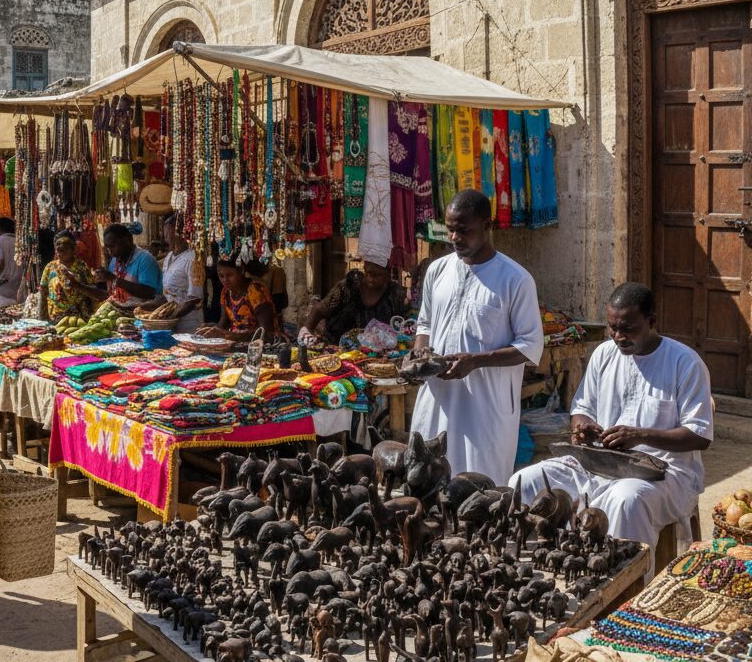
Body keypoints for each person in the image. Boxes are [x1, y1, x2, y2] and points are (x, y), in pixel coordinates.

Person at [509, 283, 713, 549]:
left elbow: (699, 435)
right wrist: (583, 426)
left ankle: (625, 581)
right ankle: (540, 560)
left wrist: (640, 435)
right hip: (596, 463)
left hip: (663, 472)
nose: (618, 336)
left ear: (651, 321)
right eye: (612, 328)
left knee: (626, 501)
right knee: (524, 482)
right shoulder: (604, 354)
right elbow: (582, 408)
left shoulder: (685, 363)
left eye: (627, 328)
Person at [407, 189, 543, 483]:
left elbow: (530, 345)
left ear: (487, 226)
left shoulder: (515, 280)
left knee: (480, 489)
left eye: (464, 230)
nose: (455, 238)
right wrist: (419, 353)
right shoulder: (437, 270)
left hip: (486, 408)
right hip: (437, 400)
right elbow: (425, 324)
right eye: (451, 230)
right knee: (427, 480)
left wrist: (475, 361)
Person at [300, 260, 411, 345]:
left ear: (388, 274)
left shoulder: (396, 294)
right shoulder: (348, 287)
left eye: (377, 275)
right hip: (338, 348)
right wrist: (306, 331)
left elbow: (405, 326)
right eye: (368, 273)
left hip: (379, 354)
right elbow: (319, 309)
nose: (371, 279)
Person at [75, 223, 161, 313]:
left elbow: (149, 293)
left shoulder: (145, 259)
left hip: (141, 315)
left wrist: (113, 279)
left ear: (128, 239)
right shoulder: (115, 261)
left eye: (113, 246)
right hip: (118, 313)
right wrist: (78, 286)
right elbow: (108, 294)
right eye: (107, 247)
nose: (110, 251)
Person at [198, 258, 279, 342]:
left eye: (230, 275)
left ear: (241, 270)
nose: (225, 280)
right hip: (237, 343)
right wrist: (210, 328)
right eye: (221, 276)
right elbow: (223, 324)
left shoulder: (255, 291)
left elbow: (266, 334)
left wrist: (228, 335)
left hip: (259, 345)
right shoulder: (225, 292)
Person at [154, 216, 203, 333]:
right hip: (170, 323)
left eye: (168, 234)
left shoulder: (193, 259)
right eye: (164, 234)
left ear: (179, 233)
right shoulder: (168, 258)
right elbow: (167, 293)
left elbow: (195, 298)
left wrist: (173, 317)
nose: (166, 239)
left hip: (189, 324)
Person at [38, 231, 96, 322]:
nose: (61, 253)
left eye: (65, 249)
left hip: (79, 317)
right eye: (59, 250)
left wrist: (93, 315)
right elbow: (43, 291)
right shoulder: (50, 267)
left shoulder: (81, 266)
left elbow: (92, 289)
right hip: (55, 317)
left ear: (73, 250)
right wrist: (41, 318)